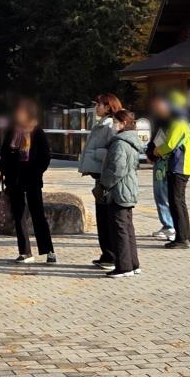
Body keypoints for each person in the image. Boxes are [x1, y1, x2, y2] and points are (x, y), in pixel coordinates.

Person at [0, 99, 55, 264]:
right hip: (14, 180)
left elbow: (45, 157)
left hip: (32, 180)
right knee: (18, 215)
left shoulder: (37, 132)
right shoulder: (11, 131)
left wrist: (37, 172)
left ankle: (48, 251)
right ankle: (25, 252)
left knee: (38, 214)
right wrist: (5, 172)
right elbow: (4, 154)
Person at [98, 108, 144, 277]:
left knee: (119, 229)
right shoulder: (131, 141)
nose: (113, 126)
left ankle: (124, 267)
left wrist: (104, 184)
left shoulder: (119, 143)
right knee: (127, 228)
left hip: (119, 190)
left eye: (115, 122)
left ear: (123, 124)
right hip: (129, 188)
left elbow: (117, 169)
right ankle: (133, 263)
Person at [79, 94, 120, 268]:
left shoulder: (111, 125)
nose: (97, 107)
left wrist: (95, 154)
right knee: (101, 217)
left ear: (109, 107)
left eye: (100, 105)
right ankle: (106, 254)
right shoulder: (101, 123)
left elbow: (115, 152)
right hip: (98, 175)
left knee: (106, 217)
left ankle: (111, 256)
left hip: (106, 177)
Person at [153, 90, 190, 249]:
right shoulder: (183, 122)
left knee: (176, 202)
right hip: (181, 166)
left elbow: (170, 144)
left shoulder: (179, 123)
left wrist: (158, 150)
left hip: (179, 166)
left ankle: (182, 238)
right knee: (179, 203)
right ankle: (185, 237)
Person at [146, 97, 176, 242]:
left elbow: (170, 144)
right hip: (158, 161)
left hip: (167, 162)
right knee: (159, 194)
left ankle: (171, 226)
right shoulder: (159, 122)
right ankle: (166, 224)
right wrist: (151, 153)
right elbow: (154, 140)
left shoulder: (174, 122)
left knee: (164, 194)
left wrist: (155, 152)